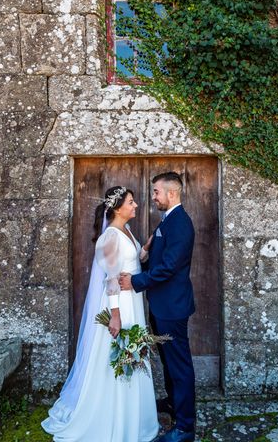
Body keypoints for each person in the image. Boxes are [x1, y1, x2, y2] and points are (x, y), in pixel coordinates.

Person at [41, 186, 160, 442]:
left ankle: (134, 416)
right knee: (117, 355)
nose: (136, 205)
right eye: (131, 202)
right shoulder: (109, 238)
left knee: (133, 353)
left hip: (133, 302)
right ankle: (111, 418)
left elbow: (131, 262)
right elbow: (111, 279)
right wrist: (115, 316)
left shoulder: (126, 231)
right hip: (119, 305)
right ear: (117, 209)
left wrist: (146, 248)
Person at [119, 172, 196, 442]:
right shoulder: (168, 221)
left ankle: (185, 428)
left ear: (171, 193)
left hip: (173, 308)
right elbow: (161, 261)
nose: (153, 197)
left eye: (156, 192)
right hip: (162, 305)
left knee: (180, 366)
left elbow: (169, 267)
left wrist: (136, 281)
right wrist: (146, 255)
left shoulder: (180, 224)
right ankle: (174, 403)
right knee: (168, 361)